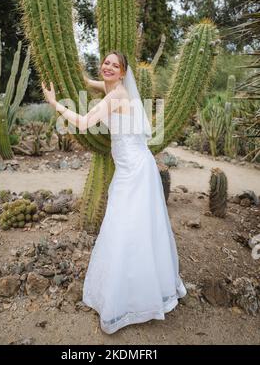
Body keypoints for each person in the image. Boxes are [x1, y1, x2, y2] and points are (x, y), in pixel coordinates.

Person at [41, 51, 187, 335]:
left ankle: (128, 299)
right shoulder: (113, 88)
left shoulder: (117, 96)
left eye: (115, 65)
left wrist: (54, 103)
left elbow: (83, 123)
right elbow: (98, 83)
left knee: (123, 227)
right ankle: (135, 287)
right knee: (132, 227)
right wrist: (82, 78)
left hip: (134, 170)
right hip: (130, 166)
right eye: (106, 63)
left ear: (123, 73)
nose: (108, 67)